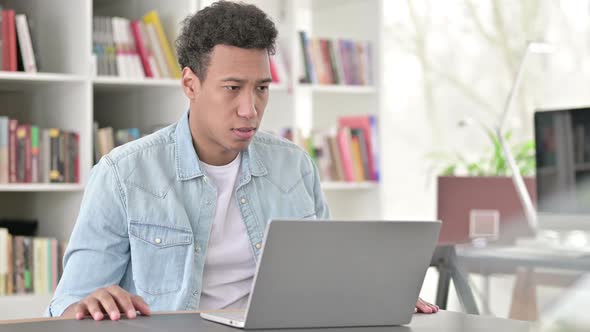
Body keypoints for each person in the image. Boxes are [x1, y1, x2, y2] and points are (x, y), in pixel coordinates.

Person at [47, 1, 438, 320]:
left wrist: (376, 294)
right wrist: (86, 306)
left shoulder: (295, 167)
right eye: (232, 88)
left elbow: (323, 280)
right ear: (190, 85)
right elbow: (68, 305)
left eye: (262, 89)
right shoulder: (122, 174)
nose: (250, 109)